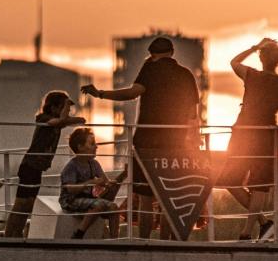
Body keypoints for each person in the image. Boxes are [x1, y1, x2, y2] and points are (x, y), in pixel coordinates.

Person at [83, 35, 202, 238]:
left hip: (147, 140)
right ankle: (166, 243)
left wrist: (101, 94)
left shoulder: (150, 69)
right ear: (172, 52)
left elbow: (132, 93)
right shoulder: (186, 75)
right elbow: (193, 115)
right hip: (176, 142)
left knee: (145, 196)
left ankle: (144, 240)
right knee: (168, 197)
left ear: (152, 54)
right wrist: (193, 142)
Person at [218, 39, 278, 237]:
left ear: (261, 57)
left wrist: (253, 47)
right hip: (266, 135)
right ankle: (259, 226)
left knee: (231, 180)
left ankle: (249, 232)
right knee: (259, 185)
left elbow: (234, 62)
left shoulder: (252, 76)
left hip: (244, 133)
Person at [3, 90, 87, 238]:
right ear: (53, 108)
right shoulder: (43, 118)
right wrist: (67, 116)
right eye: (64, 108)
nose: (67, 111)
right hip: (29, 167)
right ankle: (9, 235)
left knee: (28, 205)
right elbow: (61, 121)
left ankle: (17, 234)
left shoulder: (58, 122)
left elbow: (81, 120)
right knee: (20, 205)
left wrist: (68, 115)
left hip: (37, 169)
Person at [56, 126, 120, 239]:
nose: (96, 147)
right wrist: (91, 182)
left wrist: (117, 180)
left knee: (114, 207)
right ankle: (79, 234)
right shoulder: (72, 166)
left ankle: (114, 240)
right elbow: (70, 189)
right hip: (70, 200)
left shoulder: (94, 164)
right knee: (98, 204)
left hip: (88, 199)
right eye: (92, 144)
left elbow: (105, 181)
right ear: (80, 147)